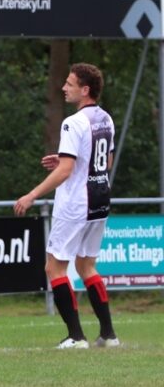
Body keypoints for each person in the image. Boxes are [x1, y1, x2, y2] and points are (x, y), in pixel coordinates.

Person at [14, 62, 119, 349]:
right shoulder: (106, 119)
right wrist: (65, 159)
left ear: (85, 90)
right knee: (86, 265)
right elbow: (106, 162)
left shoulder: (73, 122)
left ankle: (76, 337)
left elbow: (65, 172)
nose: (64, 88)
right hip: (100, 200)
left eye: (70, 84)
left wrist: (32, 195)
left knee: (54, 268)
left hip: (76, 203)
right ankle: (108, 335)